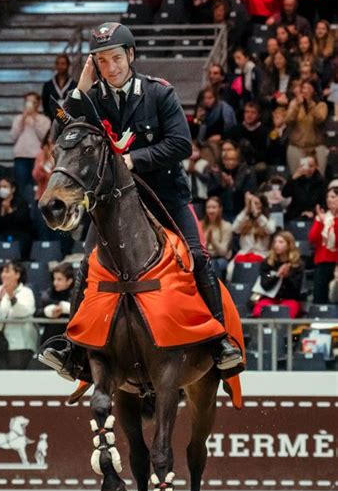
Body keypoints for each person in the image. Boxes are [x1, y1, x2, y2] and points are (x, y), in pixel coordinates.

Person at [42, 21, 242, 375]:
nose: (111, 67)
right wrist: (81, 88)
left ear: (130, 56)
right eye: (102, 62)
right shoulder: (95, 100)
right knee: (86, 265)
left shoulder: (158, 93)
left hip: (165, 196)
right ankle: (71, 349)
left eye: (116, 58)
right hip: (117, 204)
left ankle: (220, 341)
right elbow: (64, 135)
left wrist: (133, 159)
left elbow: (181, 144)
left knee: (197, 255)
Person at [0, 260, 38, 370]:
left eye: (7, 271)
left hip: (20, 345)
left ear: (17, 274)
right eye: (2, 271)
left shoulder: (26, 292)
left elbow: (23, 312)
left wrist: (12, 297)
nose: (3, 275)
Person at [252, 231, 304, 318]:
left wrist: (287, 277)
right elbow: (265, 285)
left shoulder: (297, 264)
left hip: (289, 299)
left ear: (289, 244)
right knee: (258, 312)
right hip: (269, 298)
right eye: (275, 242)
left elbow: (296, 290)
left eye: (281, 242)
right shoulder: (268, 263)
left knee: (287, 312)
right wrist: (277, 275)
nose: (277, 245)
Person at [228, 192, 276, 279]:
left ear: (262, 205)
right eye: (251, 203)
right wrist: (246, 209)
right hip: (244, 252)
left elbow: (270, 230)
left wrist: (258, 216)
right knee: (230, 271)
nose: (254, 206)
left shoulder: (269, 219)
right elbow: (234, 229)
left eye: (257, 203)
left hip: (262, 253)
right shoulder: (245, 218)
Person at [10, 92, 51, 194]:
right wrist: (23, 119)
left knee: (37, 185)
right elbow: (13, 137)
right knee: (21, 185)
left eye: (33, 102)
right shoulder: (18, 119)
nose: (30, 104)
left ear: (38, 104)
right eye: (28, 101)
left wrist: (34, 119)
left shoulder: (44, 120)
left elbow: (44, 137)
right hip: (21, 156)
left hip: (37, 157)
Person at [285, 79, 328, 174]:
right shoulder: (294, 104)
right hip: (297, 147)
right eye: (304, 88)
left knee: (317, 178)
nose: (305, 91)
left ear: (314, 91)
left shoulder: (321, 105)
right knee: (298, 178)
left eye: (309, 88)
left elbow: (320, 120)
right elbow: (288, 121)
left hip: (316, 148)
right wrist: (297, 106)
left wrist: (310, 103)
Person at [0, 176, 32, 259]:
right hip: (1, 234)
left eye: (5, 187)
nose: (2, 189)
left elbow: (24, 222)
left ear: (13, 189)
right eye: (0, 187)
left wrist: (10, 211)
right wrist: (2, 213)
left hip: (19, 234)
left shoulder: (21, 202)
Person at [207, 146, 256, 221]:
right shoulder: (216, 172)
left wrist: (233, 185)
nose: (231, 162)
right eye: (228, 160)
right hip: (221, 210)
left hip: (240, 210)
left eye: (234, 160)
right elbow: (210, 192)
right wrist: (223, 185)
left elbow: (249, 192)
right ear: (223, 160)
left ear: (238, 161)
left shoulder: (245, 172)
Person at [308, 184, 338, 303]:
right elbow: (312, 239)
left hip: (336, 262)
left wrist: (335, 220)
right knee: (320, 295)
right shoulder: (322, 217)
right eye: (328, 197)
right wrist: (320, 221)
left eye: (333, 196)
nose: (329, 199)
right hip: (322, 260)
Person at [37, 262, 74, 342]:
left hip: (70, 343)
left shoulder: (76, 296)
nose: (55, 283)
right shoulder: (48, 295)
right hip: (49, 342)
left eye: (59, 279)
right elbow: (37, 314)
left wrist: (66, 308)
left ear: (69, 281)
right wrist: (48, 312)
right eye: (54, 279)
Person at [281, 154, 325, 220]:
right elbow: (285, 194)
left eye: (311, 166)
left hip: (312, 215)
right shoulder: (295, 178)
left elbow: (323, 203)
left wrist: (313, 212)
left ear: (316, 166)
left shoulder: (321, 181)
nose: (308, 169)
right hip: (294, 214)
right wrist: (293, 179)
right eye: (305, 166)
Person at [227, 101, 269, 167]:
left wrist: (252, 150)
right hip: (236, 163)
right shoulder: (235, 130)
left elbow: (267, 154)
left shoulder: (265, 131)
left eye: (253, 112)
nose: (249, 115)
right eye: (247, 112)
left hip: (257, 164)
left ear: (259, 115)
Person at [200, 196, 232, 279]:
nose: (211, 211)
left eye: (214, 207)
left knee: (213, 265)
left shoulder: (226, 226)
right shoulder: (200, 225)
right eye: (208, 207)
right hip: (204, 257)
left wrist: (213, 241)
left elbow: (223, 252)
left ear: (220, 209)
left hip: (220, 258)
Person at [32, 132, 55, 201]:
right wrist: (44, 162)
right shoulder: (41, 155)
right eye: (50, 137)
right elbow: (36, 176)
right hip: (43, 195)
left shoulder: (64, 155)